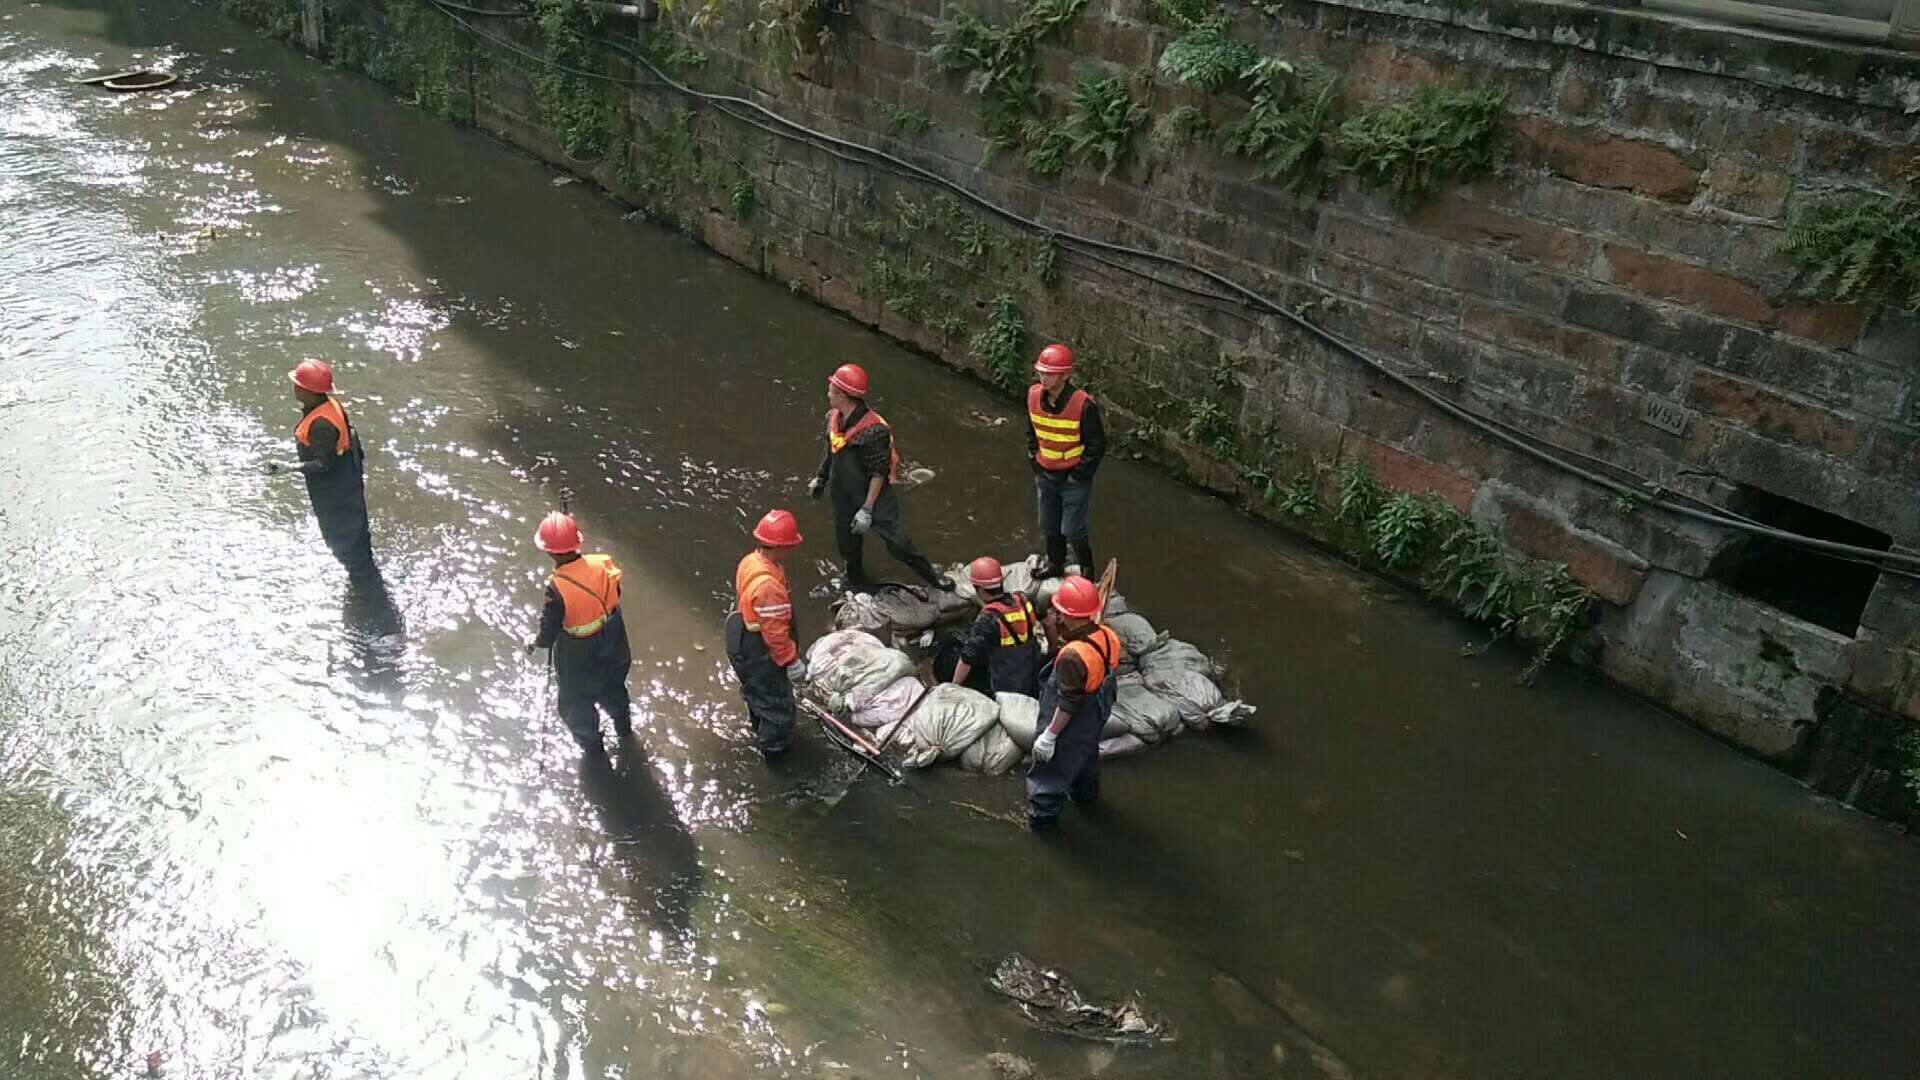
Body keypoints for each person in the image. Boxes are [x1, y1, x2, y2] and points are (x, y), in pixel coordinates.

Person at [808, 363, 950, 593]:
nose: (827, 394)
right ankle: (855, 580)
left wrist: (867, 509)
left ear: (842, 395)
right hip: (843, 492)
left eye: (831, 389)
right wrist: (821, 478)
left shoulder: (874, 431)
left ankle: (932, 577)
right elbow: (831, 451)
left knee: (898, 543)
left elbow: (879, 472)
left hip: (874, 498)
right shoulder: (832, 419)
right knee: (847, 543)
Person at [524, 511, 633, 757]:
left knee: (576, 703)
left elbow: (548, 635)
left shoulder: (556, 588)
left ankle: (595, 753)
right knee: (613, 686)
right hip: (614, 636)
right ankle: (624, 729)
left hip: (579, 651)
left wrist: (533, 641)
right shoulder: (603, 563)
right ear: (578, 543)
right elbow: (615, 593)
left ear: (549, 552)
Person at [266, 359, 377, 579]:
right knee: (354, 534)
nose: (294, 387)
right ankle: (362, 570)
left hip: (336, 490)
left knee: (342, 538)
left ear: (307, 391)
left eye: (297, 384)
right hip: (347, 478)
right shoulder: (327, 405)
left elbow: (324, 466)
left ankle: (362, 582)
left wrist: (288, 468)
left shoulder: (321, 425)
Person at [1026, 575, 1121, 832]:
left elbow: (1068, 701)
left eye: (1059, 612)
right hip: (1095, 714)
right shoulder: (1107, 636)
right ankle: (1086, 798)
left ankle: (1043, 823)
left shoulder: (1072, 656)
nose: (1056, 616)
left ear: (1068, 615)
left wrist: (1050, 735)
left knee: (1049, 772)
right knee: (1085, 757)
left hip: (1072, 720)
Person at [725, 509, 807, 760]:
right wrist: (791, 661)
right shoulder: (769, 588)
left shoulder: (751, 561)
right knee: (778, 706)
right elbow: (776, 634)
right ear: (780, 547)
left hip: (741, 640)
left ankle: (759, 727)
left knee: (757, 693)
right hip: (758, 650)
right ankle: (774, 752)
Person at [1026, 344, 1105, 579]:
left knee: (1072, 529)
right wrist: (1034, 458)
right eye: (1042, 372)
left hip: (1072, 477)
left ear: (1065, 375)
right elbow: (1032, 431)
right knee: (1049, 525)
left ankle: (1087, 570)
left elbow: (1096, 445)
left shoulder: (1082, 404)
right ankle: (1055, 565)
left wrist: (1079, 474)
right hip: (1045, 473)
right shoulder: (1033, 396)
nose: (1044, 377)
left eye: (1050, 373)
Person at [949, 556, 1042, 698]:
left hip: (1008, 682)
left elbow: (967, 658)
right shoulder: (1023, 598)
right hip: (1033, 668)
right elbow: (1047, 623)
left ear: (978, 588)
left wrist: (953, 687)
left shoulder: (988, 619)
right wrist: (1053, 649)